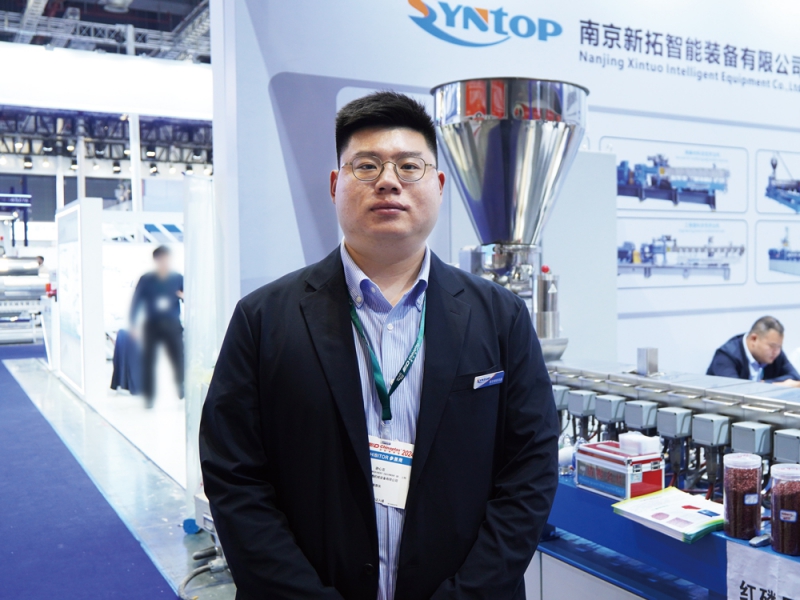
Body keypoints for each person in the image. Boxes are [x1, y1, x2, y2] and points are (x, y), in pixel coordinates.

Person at [200, 92, 559, 600]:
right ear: (335, 185)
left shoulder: (501, 317)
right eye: (366, 166)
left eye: (409, 167)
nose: (388, 181)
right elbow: (233, 476)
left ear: (438, 186)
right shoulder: (263, 319)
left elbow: (531, 470)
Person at [129, 245, 184, 404]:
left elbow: (189, 296)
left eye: (167, 259)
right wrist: (133, 324)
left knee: (178, 357)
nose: (164, 262)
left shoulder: (177, 278)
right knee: (149, 360)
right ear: (156, 260)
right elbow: (136, 301)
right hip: (152, 323)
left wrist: (182, 295)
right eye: (161, 259)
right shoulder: (146, 279)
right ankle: (149, 396)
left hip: (172, 323)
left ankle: (181, 388)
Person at [707, 316, 800, 387]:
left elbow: (795, 377)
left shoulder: (774, 353)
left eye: (779, 347)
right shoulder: (726, 356)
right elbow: (733, 391)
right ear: (754, 339)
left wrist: (767, 383)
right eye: (772, 346)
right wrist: (769, 386)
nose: (777, 351)